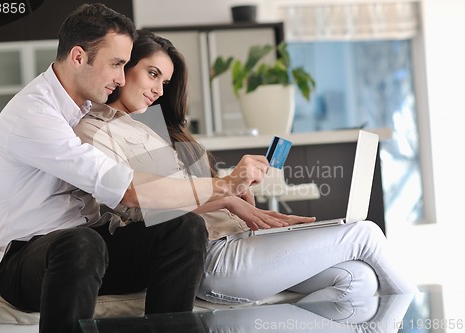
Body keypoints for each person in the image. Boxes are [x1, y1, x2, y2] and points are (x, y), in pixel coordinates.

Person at [74, 29, 418, 307]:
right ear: (124, 67)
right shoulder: (96, 129)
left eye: (164, 82)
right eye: (152, 74)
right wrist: (225, 196)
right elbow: (141, 210)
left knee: (357, 279)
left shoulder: (152, 127)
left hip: (238, 237)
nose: (158, 90)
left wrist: (232, 191)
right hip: (213, 254)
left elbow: (179, 197)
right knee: (364, 234)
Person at [0, 5, 268, 333]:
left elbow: (143, 184)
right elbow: (130, 191)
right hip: (24, 260)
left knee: (184, 227)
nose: (121, 78)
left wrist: (222, 191)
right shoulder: (34, 114)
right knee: (81, 243)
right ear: (78, 56)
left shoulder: (88, 109)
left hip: (89, 245)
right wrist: (226, 187)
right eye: (117, 64)